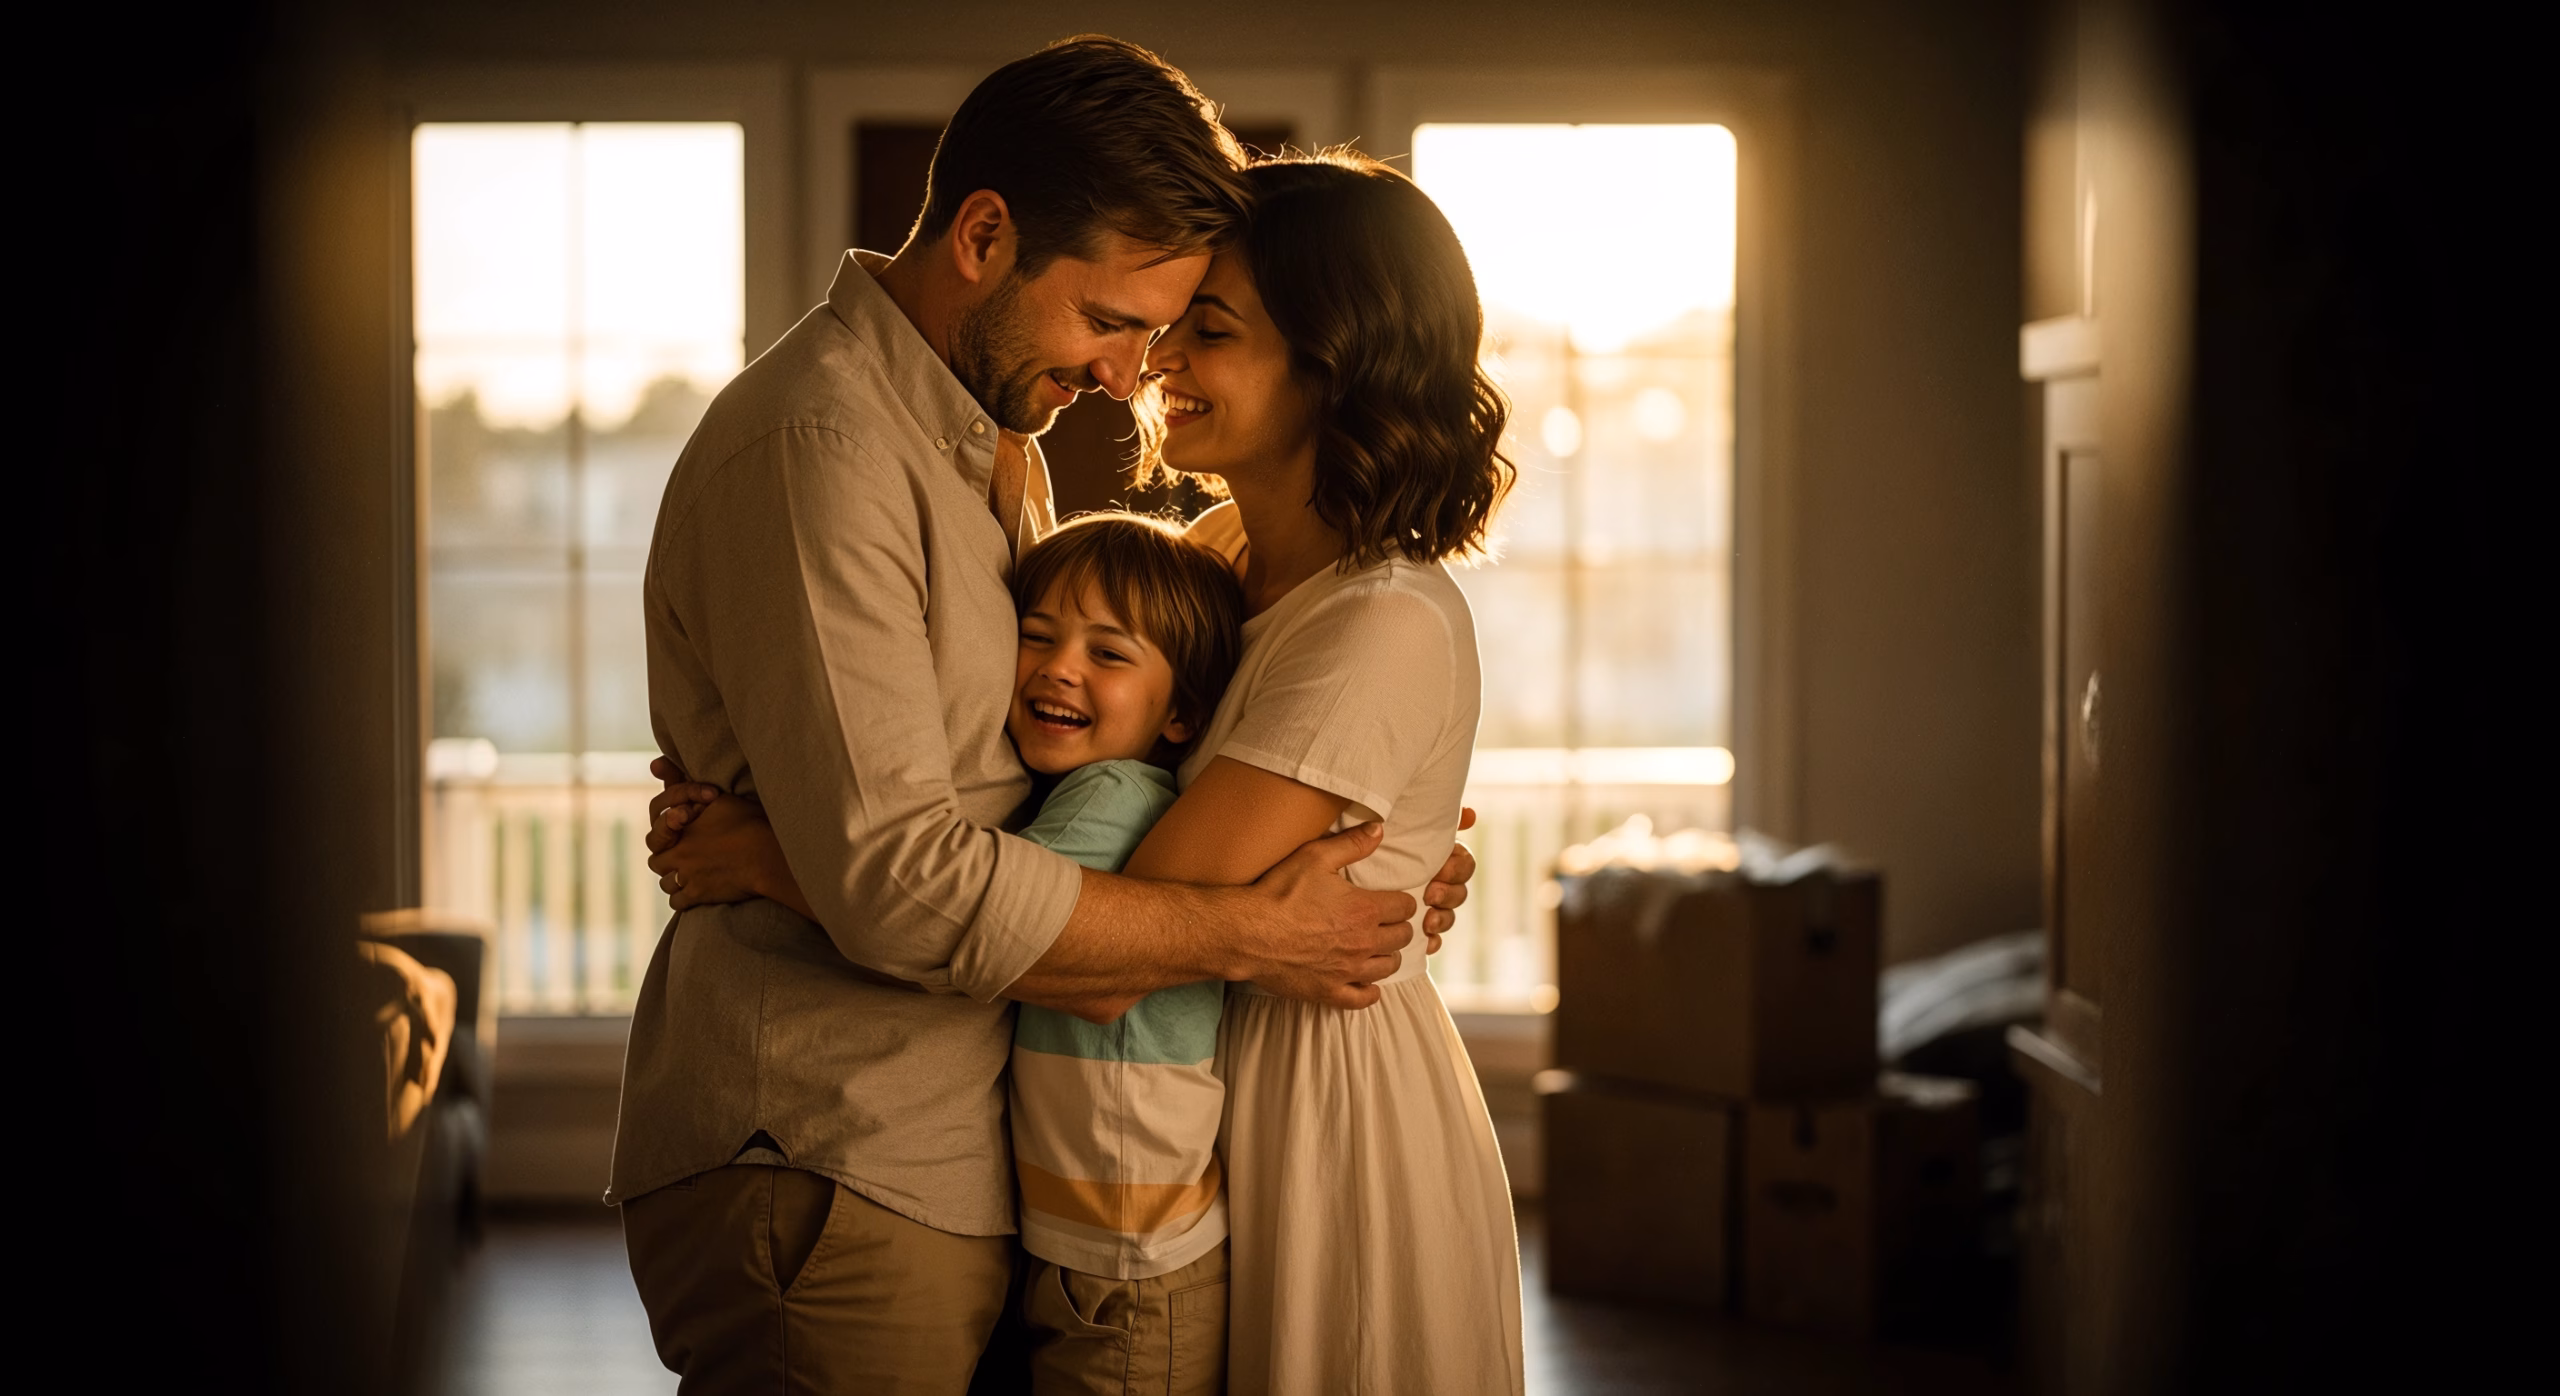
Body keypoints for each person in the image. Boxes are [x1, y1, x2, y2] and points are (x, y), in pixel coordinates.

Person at [612, 37, 1476, 1393]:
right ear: (985, 234)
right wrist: (1264, 927)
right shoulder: (823, 454)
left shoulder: (987, 447)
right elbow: (904, 882)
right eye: (1117, 322)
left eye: (1179, 328)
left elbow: (1072, 791)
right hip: (830, 1143)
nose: (1134, 375)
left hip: (978, 1144)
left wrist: (1390, 862)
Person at [1122, 150, 1525, 1395]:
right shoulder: (1219, 549)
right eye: (1171, 321)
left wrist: (800, 869)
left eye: (1212, 328)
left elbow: (1137, 902)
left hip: (1332, 1107)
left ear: (1331, 362)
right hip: (1205, 1087)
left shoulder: (1383, 617)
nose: (1158, 359)